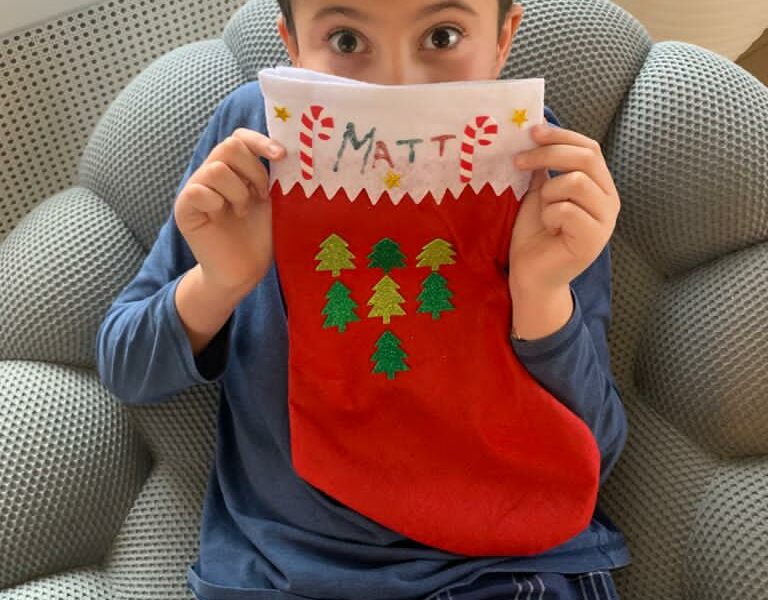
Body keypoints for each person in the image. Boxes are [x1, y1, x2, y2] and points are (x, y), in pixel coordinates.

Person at [95, 1, 630, 598]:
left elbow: (596, 451)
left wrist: (541, 293)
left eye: (442, 36)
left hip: (504, 567)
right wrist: (220, 282)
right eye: (347, 41)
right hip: (288, 570)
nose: (395, 85)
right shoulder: (253, 142)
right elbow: (126, 366)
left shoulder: (543, 168)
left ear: (503, 39)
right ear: (293, 46)